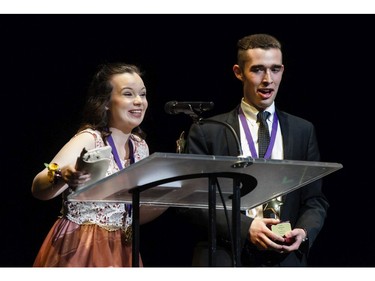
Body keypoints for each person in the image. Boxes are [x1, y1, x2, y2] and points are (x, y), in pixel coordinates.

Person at [178, 33, 329, 266]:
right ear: (239, 72)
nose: (268, 79)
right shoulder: (209, 130)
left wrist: (304, 231)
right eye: (258, 69)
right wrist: (246, 228)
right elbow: (190, 202)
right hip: (227, 256)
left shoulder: (303, 130)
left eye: (275, 69)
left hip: (285, 258)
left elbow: (314, 200)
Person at [31, 62, 165, 267]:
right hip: (81, 245)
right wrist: (61, 176)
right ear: (106, 102)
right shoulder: (90, 139)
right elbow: (38, 187)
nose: (139, 101)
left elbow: (133, 212)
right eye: (128, 94)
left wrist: (172, 193)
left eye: (143, 94)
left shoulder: (140, 147)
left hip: (122, 246)